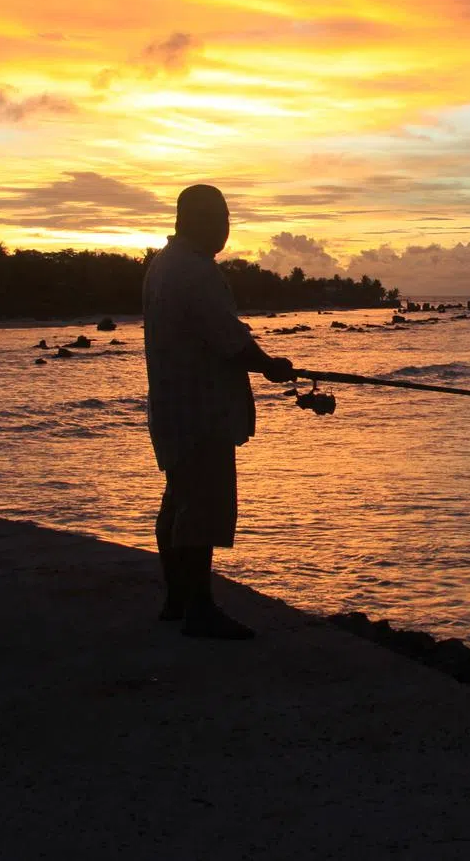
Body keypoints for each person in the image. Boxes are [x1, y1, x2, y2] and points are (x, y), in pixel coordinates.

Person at [143, 184, 294, 640]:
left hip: (173, 405)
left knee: (179, 500)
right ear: (195, 220)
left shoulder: (164, 265)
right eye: (221, 219)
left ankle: (177, 599)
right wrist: (269, 365)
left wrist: (263, 363)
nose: (226, 228)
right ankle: (200, 610)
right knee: (201, 509)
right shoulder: (194, 271)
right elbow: (227, 339)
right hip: (201, 409)